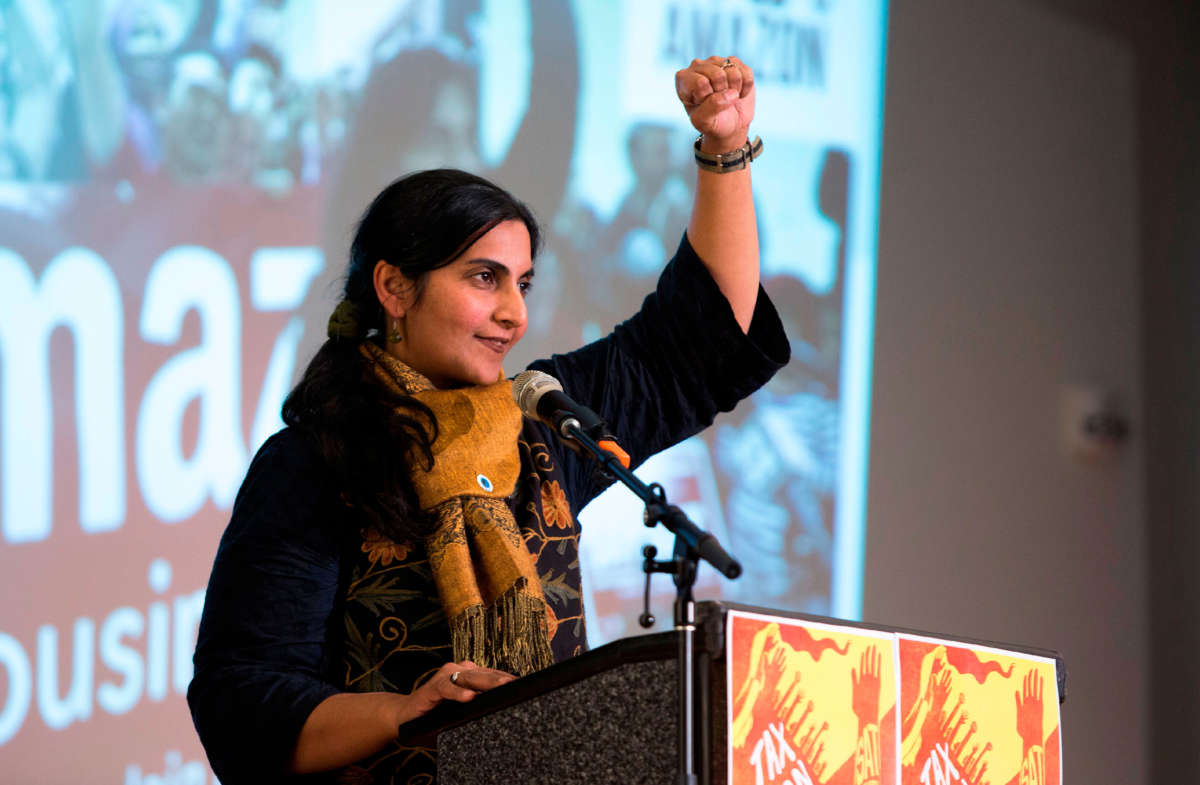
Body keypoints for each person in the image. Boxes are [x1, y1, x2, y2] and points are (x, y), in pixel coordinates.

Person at [188, 55, 789, 784]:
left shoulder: (541, 424)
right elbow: (242, 698)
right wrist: (405, 710)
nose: (515, 313)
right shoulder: (313, 464)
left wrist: (725, 152)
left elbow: (702, 340)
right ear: (393, 287)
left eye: (523, 282)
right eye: (484, 277)